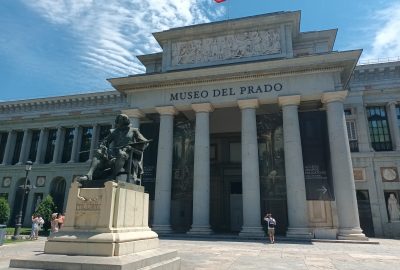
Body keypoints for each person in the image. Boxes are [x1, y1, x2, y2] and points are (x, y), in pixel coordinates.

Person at [79, 114, 149, 182]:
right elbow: (105, 142)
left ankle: (113, 176)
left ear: (125, 121)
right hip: (113, 156)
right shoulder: (115, 132)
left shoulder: (134, 131)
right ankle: (89, 175)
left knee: (121, 154)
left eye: (120, 122)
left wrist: (131, 147)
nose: (118, 124)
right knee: (99, 152)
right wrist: (102, 146)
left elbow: (145, 142)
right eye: (118, 122)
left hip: (128, 157)